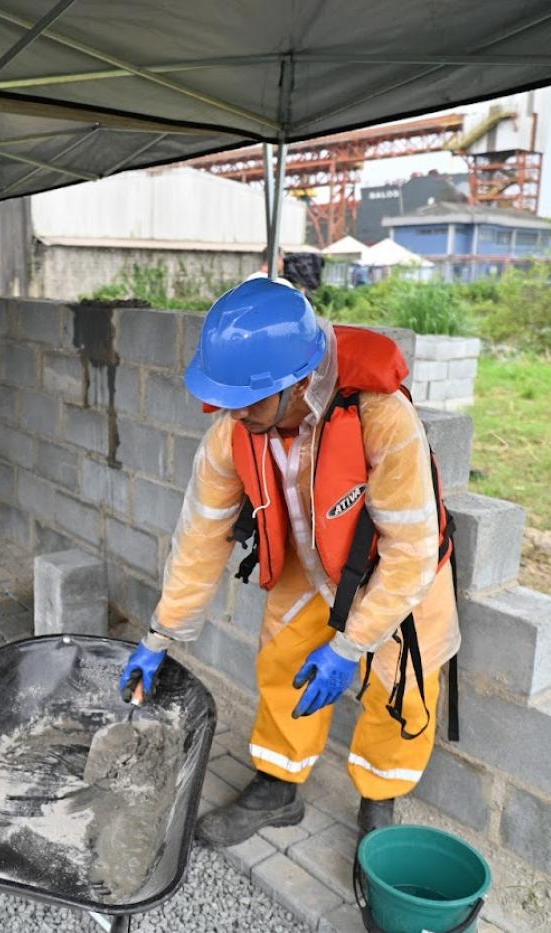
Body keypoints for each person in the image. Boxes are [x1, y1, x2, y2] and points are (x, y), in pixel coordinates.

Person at [118, 277, 458, 845]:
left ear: (298, 384)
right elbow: (200, 537)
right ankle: (278, 788)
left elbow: (412, 551)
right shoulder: (237, 429)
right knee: (283, 665)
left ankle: (380, 798)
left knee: (401, 688)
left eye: (243, 400)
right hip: (311, 564)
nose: (227, 412)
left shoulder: (382, 416)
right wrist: (160, 635)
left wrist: (352, 646)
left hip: (395, 571)